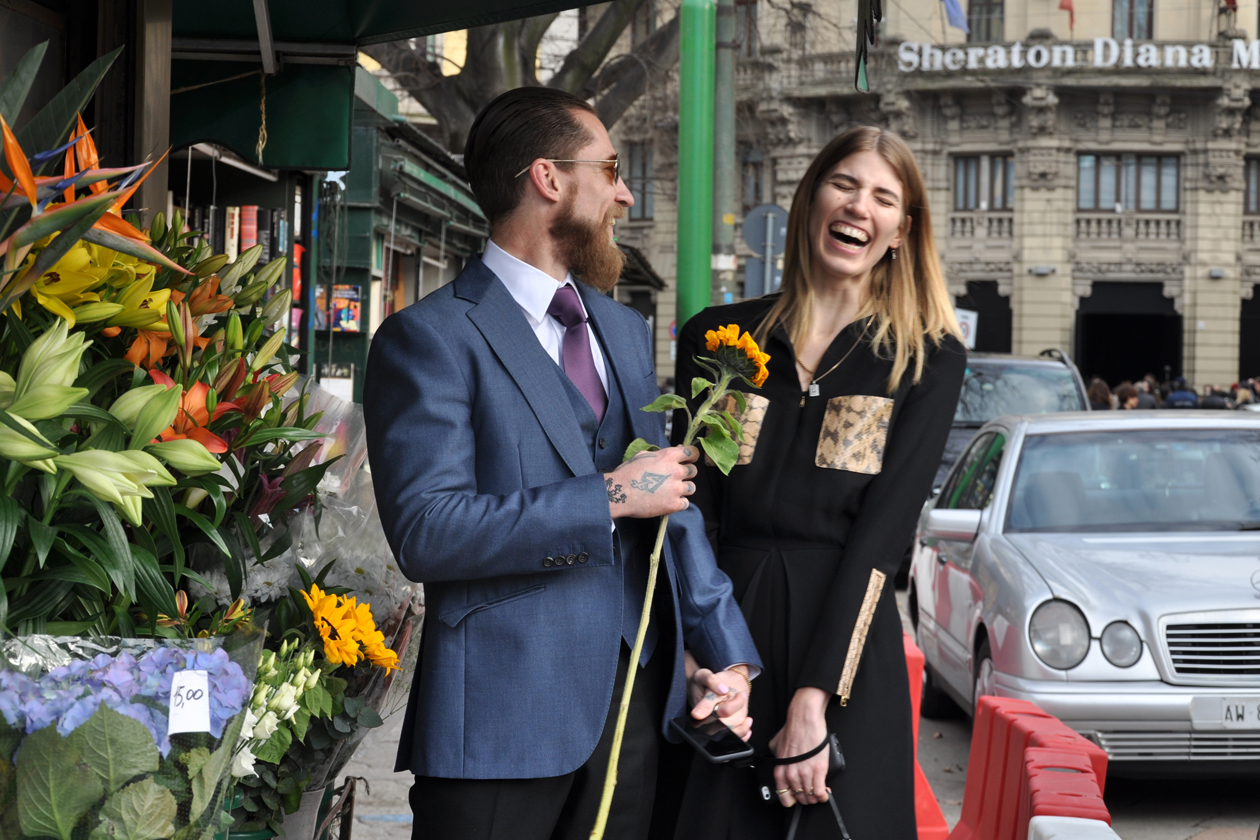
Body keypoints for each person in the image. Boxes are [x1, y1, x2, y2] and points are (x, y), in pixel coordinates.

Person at [363, 87, 762, 840]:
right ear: (548, 179)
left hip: (632, 720)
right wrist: (606, 496)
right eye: (609, 168)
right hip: (498, 726)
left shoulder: (622, 329)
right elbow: (426, 530)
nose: (624, 191)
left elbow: (670, 496)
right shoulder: (430, 339)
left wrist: (724, 652)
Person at [671, 126, 966, 840]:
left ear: (901, 230)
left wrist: (812, 699)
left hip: (843, 650)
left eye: (883, 197)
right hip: (721, 636)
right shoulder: (718, 340)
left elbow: (882, 539)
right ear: (810, 201)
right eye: (843, 184)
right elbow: (693, 512)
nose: (859, 206)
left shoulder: (924, 358)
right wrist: (701, 658)